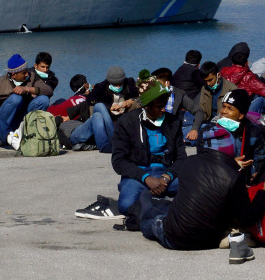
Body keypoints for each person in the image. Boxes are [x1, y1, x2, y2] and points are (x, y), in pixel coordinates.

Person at [137, 145, 265, 255]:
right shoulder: (233, 177)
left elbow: (247, 218)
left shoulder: (189, 163)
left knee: (150, 218)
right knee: (165, 208)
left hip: (174, 236)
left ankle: (141, 206)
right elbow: (246, 218)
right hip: (207, 241)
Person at [78, 82, 187, 222]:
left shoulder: (173, 122)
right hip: (139, 175)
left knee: (199, 190)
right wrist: (147, 179)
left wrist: (167, 177)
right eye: (159, 107)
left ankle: (151, 199)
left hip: (166, 175)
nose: (163, 110)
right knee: (126, 205)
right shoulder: (127, 123)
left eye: (165, 105)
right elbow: (119, 162)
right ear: (146, 106)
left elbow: (181, 158)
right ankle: (154, 199)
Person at [67, 66, 138, 153]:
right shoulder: (101, 87)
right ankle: (113, 140)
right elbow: (89, 101)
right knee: (100, 106)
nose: (118, 86)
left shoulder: (129, 84)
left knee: (97, 116)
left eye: (120, 83)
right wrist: (109, 107)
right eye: (115, 84)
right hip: (103, 118)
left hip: (107, 122)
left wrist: (130, 101)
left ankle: (106, 146)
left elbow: (139, 97)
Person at [0, 53, 53, 132]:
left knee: (44, 100)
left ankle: (27, 130)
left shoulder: (32, 77)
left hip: (20, 117)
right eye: (23, 73)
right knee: (16, 98)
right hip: (1, 120)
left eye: (27, 71)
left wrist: (27, 89)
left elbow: (48, 91)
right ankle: (2, 133)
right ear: (14, 75)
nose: (27, 74)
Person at [147, 67, 206, 143]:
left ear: (167, 83)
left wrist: (194, 129)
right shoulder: (149, 94)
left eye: (157, 84)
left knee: (203, 129)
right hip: (153, 129)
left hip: (172, 129)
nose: (154, 87)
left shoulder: (178, 94)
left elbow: (198, 111)